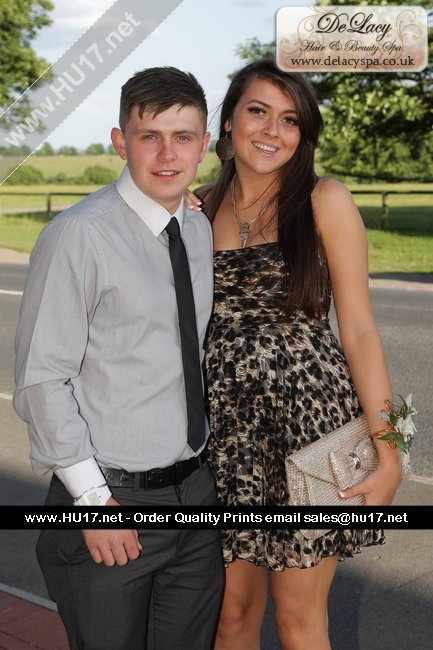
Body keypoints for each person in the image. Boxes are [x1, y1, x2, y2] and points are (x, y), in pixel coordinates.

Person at [193, 59, 402, 650]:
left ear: (303, 134)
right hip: (226, 434)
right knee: (231, 614)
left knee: (297, 617)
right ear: (228, 120)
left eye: (290, 120)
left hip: (310, 430)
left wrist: (389, 455)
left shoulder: (323, 200)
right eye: (258, 111)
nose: (272, 130)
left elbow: (359, 331)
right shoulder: (194, 208)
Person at [13, 66, 224, 650]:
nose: (167, 153)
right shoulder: (79, 234)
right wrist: (92, 502)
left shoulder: (197, 229)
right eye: (149, 135)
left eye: (183, 137)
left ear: (204, 145)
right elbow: (41, 380)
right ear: (120, 142)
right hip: (113, 498)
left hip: (194, 495)